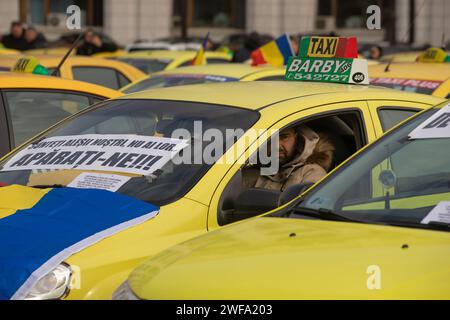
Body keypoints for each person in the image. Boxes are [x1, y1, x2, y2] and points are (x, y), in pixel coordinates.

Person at [243, 125, 334, 192]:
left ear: (296, 137)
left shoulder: (311, 172)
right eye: (270, 139)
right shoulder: (244, 174)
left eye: (284, 137)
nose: (277, 146)